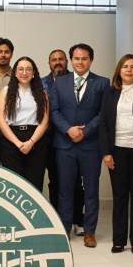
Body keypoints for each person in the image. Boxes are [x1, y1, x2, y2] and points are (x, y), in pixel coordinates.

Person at [48, 43, 108, 248]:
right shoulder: (59, 82)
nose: (80, 62)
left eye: (84, 58)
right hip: (65, 145)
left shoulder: (102, 83)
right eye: (76, 58)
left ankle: (89, 231)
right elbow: (54, 111)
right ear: (71, 60)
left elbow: (103, 114)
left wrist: (85, 131)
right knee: (65, 190)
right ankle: (65, 228)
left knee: (91, 190)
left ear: (91, 60)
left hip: (90, 145)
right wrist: (68, 130)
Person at [99, 54, 133, 255]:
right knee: (120, 196)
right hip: (116, 151)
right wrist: (106, 152)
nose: (129, 70)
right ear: (119, 70)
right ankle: (119, 240)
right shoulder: (109, 92)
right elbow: (103, 124)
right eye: (125, 66)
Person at [42, 48, 81, 228]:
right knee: (55, 181)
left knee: (76, 181)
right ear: (49, 63)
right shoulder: (42, 83)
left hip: (71, 138)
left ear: (67, 61)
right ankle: (57, 219)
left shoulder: (76, 80)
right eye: (53, 59)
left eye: (61, 59)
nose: (57, 62)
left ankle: (77, 220)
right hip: (49, 140)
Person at [0, 57, 50, 189]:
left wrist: (31, 142)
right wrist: (18, 143)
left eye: (28, 69)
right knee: (13, 184)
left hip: (35, 139)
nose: (24, 72)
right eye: (21, 69)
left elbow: (44, 121)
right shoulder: (6, 91)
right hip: (11, 140)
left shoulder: (42, 93)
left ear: (34, 73)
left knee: (34, 183)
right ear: (15, 73)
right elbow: (1, 121)